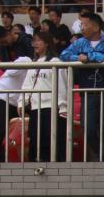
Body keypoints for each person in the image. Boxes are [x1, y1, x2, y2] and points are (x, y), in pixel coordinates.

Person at [59, 12, 104, 161]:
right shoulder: (80, 42)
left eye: (85, 25)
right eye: (81, 25)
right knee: (88, 127)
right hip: (87, 90)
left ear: (96, 27)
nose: (82, 28)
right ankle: (99, 152)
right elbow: (64, 55)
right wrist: (78, 58)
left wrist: (90, 57)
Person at [20, 31, 68, 162]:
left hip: (51, 108)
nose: (34, 44)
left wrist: (63, 107)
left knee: (52, 142)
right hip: (35, 108)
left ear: (47, 43)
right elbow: (27, 85)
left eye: (38, 41)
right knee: (36, 142)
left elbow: (62, 85)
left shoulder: (55, 61)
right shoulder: (33, 63)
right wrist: (22, 101)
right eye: (33, 41)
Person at [0, 54, 32, 161]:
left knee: (30, 127)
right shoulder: (25, 59)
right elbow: (11, 72)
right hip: (2, 97)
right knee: (0, 129)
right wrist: (28, 66)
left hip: (17, 101)